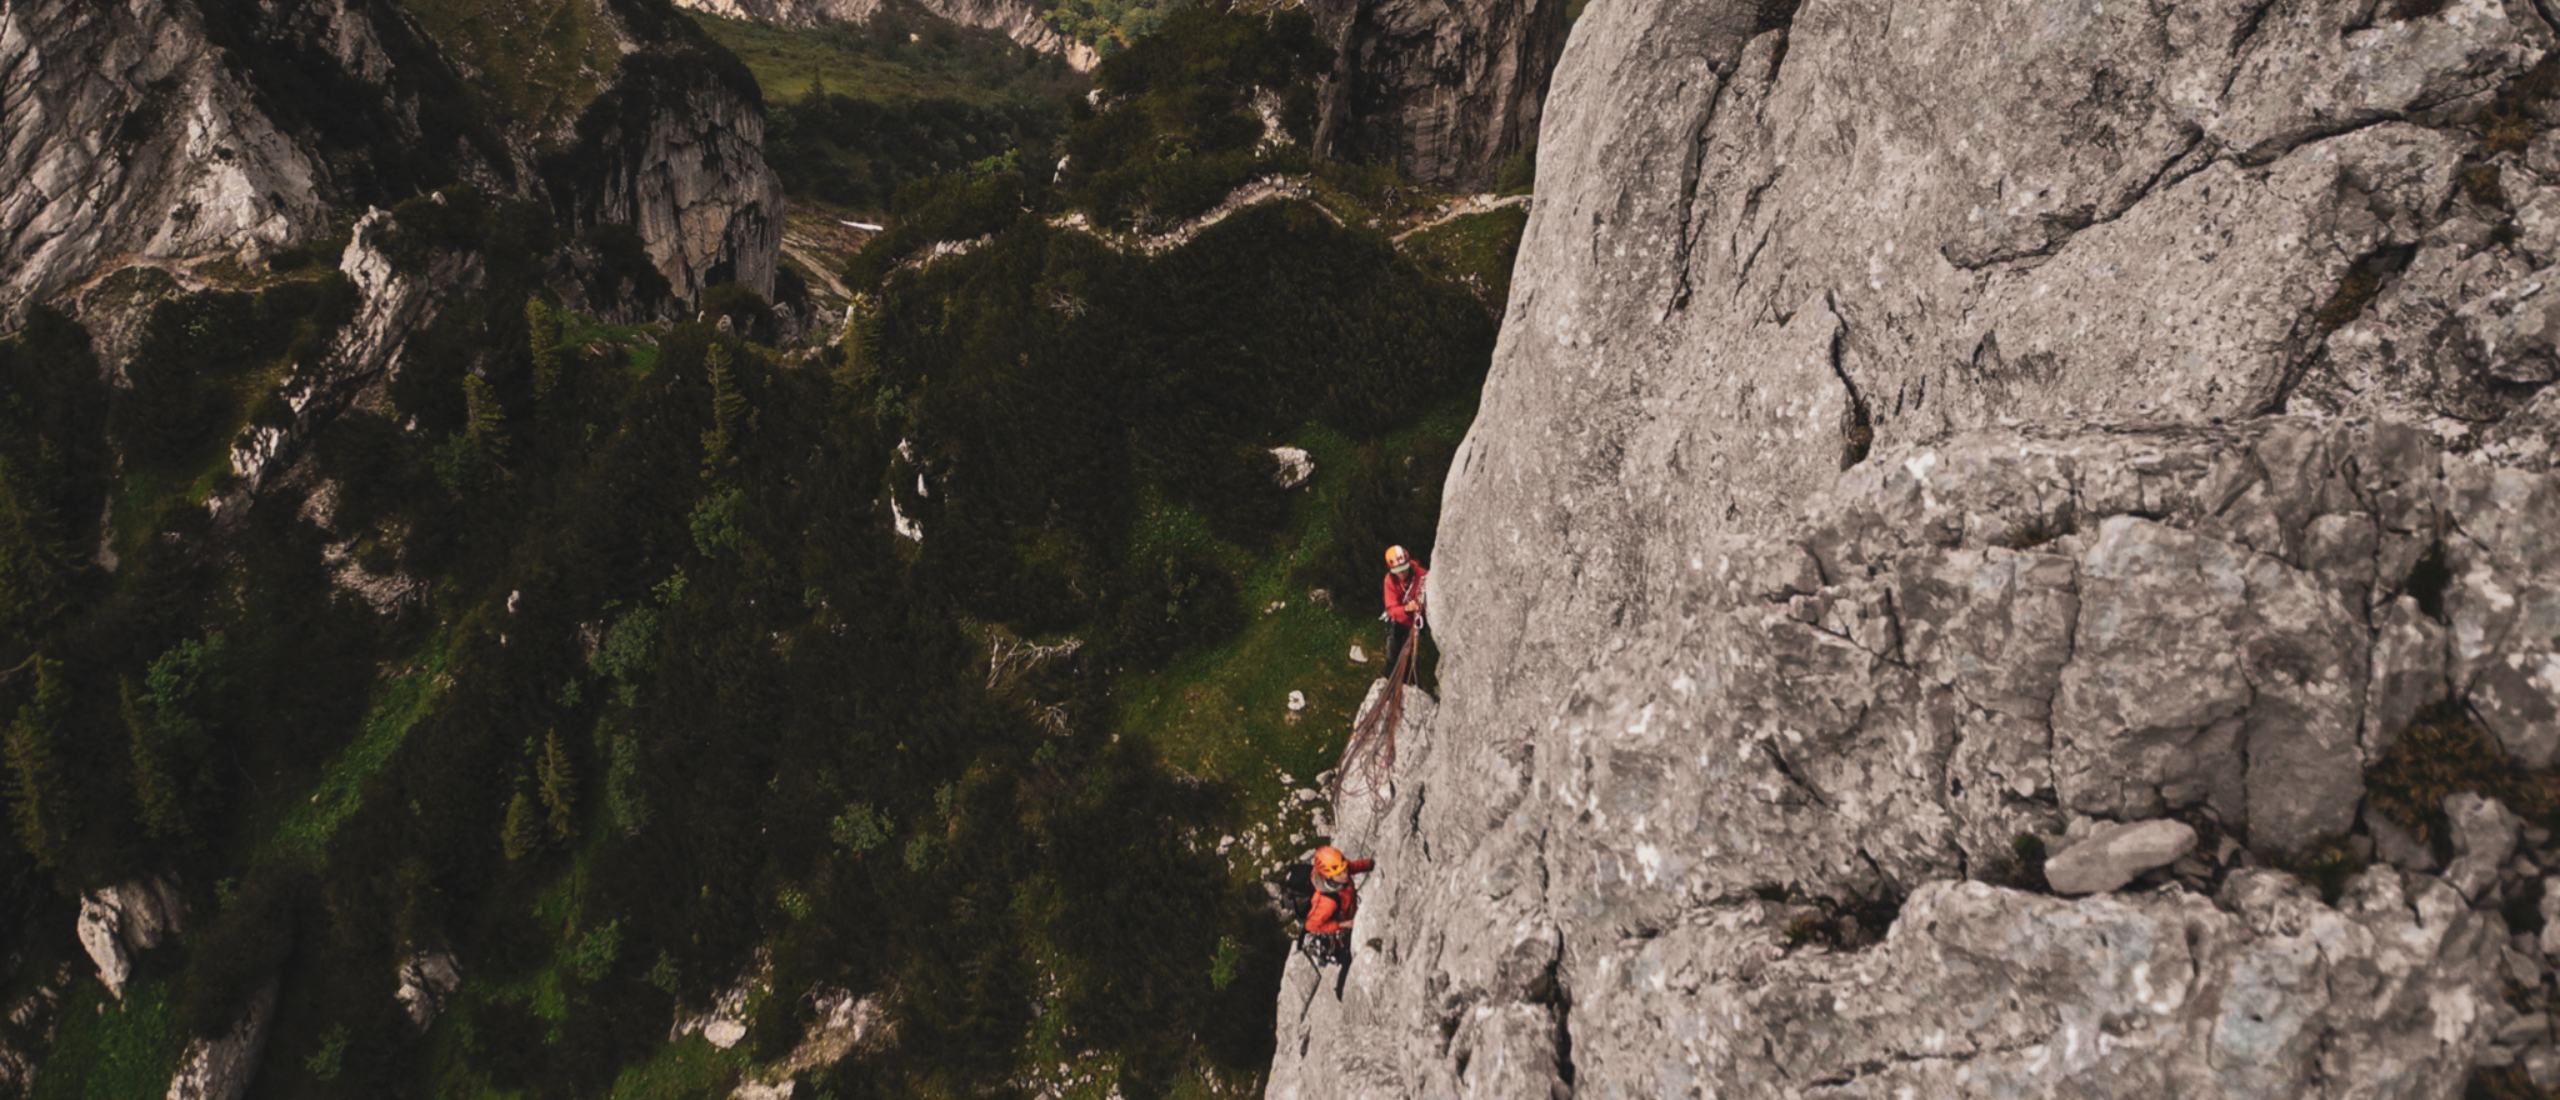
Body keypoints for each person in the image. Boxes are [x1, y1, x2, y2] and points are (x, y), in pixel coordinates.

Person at [1303, 846, 1374, 962]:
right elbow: (1311, 925)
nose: (1346, 874)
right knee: (1348, 961)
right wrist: (1342, 925)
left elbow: (1354, 866)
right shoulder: (1327, 901)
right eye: (1341, 873)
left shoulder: (1340, 871)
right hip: (1342, 929)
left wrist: (1371, 864)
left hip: (1351, 915)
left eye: (1345, 869)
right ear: (1329, 876)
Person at [1381, 545, 1428, 675]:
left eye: (1404, 569)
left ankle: (1410, 678)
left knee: (1412, 655)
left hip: (1415, 621)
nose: (1401, 573)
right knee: (1392, 654)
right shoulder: (1390, 581)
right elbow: (1392, 608)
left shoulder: (1422, 575)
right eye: (1398, 571)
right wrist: (1407, 608)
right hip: (1398, 620)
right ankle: (1389, 678)